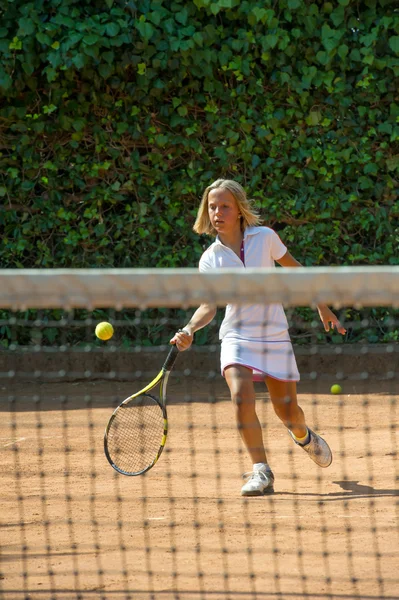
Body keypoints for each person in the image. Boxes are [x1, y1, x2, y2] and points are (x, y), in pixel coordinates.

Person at [170, 179, 346, 497]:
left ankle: (303, 435)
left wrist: (322, 305)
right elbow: (209, 306)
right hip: (236, 335)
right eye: (212, 206)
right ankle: (260, 471)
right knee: (241, 397)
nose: (217, 212)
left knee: (288, 413)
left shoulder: (264, 238)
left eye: (224, 206)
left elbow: (295, 269)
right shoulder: (210, 259)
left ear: (239, 210)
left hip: (274, 336)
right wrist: (189, 329)